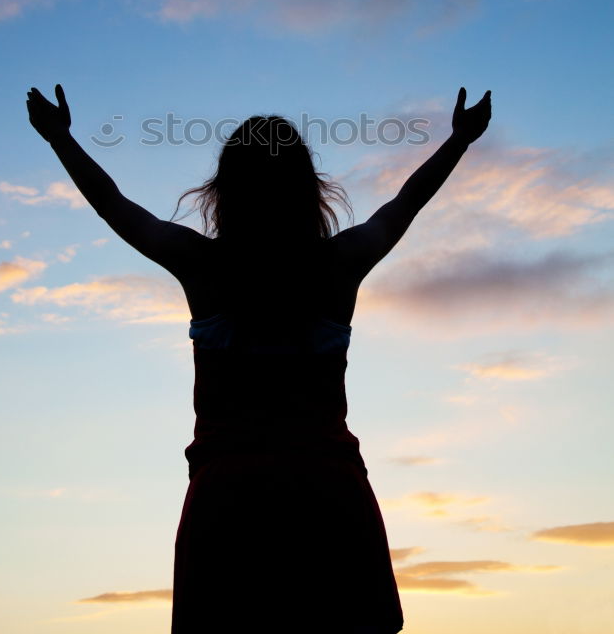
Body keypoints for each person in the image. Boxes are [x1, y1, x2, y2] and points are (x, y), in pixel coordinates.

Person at [27, 84, 492, 633]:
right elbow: (405, 205)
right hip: (329, 495)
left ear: (225, 190)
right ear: (307, 188)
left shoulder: (201, 265)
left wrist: (60, 138)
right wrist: (460, 140)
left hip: (229, 500)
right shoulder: (340, 264)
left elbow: (116, 208)